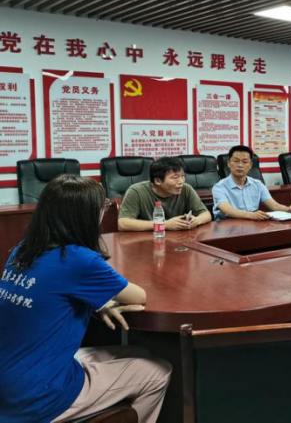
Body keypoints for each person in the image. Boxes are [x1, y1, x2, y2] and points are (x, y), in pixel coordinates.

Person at [0, 175, 171, 422]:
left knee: (138, 352)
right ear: (86, 216)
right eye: (102, 207)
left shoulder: (22, 250)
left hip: (10, 382)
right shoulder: (78, 259)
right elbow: (139, 295)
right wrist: (103, 299)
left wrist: (99, 304)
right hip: (37, 397)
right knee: (158, 371)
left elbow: (51, 298)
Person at [118, 156, 212, 231]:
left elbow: (206, 214)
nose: (181, 181)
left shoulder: (186, 189)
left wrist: (197, 220)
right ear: (158, 181)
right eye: (175, 177)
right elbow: (123, 224)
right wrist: (164, 225)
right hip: (147, 240)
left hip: (178, 239)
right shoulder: (136, 191)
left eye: (182, 176)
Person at [212, 145, 291, 220]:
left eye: (244, 162)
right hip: (227, 226)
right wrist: (252, 215)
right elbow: (227, 211)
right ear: (228, 163)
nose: (240, 165)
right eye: (236, 161)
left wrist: (289, 209)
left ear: (250, 165)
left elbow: (274, 206)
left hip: (251, 225)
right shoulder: (219, 187)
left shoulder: (258, 184)